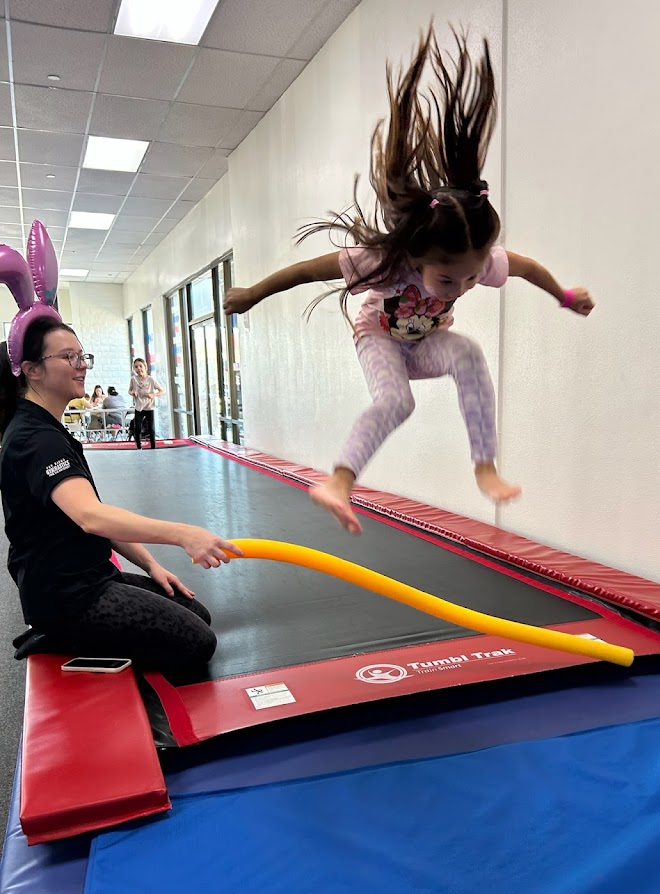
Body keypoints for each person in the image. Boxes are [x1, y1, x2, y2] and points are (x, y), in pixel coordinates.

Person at [225, 26, 594, 534]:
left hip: (424, 343)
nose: (463, 286)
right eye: (449, 278)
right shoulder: (383, 260)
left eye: (469, 277)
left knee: (467, 353)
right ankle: (339, 480)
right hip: (378, 336)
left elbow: (528, 269)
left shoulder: (472, 261)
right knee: (397, 402)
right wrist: (251, 294)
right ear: (419, 258)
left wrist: (566, 296)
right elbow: (307, 271)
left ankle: (484, 467)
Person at [0, 318, 242, 683]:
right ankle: (59, 634)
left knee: (196, 613)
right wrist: (183, 534)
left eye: (83, 356)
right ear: (32, 370)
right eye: (69, 357)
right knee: (197, 643)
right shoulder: (34, 438)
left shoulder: (49, 428)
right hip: (67, 598)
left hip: (93, 576)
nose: (82, 366)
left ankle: (75, 630)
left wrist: (150, 565)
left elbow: (98, 516)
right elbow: (91, 517)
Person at [128, 357, 164, 450]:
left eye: (140, 366)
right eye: (136, 367)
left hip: (149, 407)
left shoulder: (150, 380)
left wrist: (153, 394)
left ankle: (153, 447)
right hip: (139, 407)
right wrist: (133, 393)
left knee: (151, 429)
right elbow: (129, 390)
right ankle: (139, 447)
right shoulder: (133, 379)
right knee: (137, 428)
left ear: (145, 367)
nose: (138, 368)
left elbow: (161, 391)